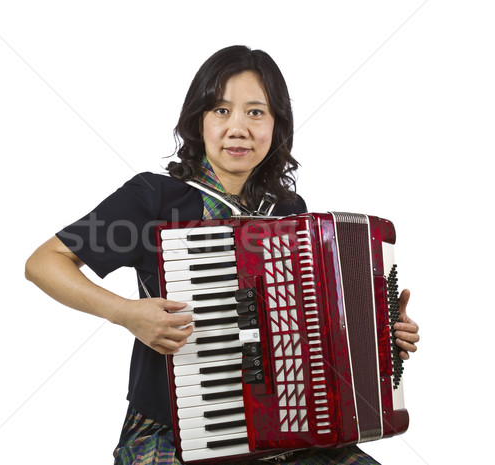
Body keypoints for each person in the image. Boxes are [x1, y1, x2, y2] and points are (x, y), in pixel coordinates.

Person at [25, 45, 420, 465]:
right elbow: (44, 262)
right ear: (199, 121)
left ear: (276, 126)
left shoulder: (290, 210)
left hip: (292, 428)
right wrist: (126, 313)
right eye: (220, 110)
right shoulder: (154, 197)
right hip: (172, 429)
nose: (238, 128)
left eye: (256, 112)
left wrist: (379, 333)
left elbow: (314, 328)